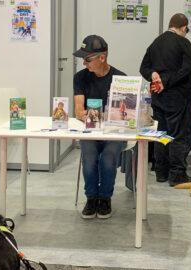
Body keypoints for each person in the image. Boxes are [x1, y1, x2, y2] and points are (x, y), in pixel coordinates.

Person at [73, 35, 126, 219]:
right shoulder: (80, 78)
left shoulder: (121, 79)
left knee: (109, 157)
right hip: (90, 131)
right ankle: (91, 197)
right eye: (83, 59)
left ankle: (104, 198)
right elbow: (79, 110)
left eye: (87, 59)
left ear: (101, 58)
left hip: (115, 131)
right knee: (88, 156)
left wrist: (97, 114)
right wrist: (107, 114)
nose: (84, 64)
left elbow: (125, 114)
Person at [139, 13, 191, 187]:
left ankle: (161, 172)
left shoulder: (156, 42)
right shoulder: (184, 42)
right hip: (178, 97)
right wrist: (167, 80)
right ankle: (177, 174)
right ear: (184, 28)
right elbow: (188, 67)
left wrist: (153, 76)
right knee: (178, 135)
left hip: (158, 97)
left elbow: (144, 68)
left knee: (161, 134)